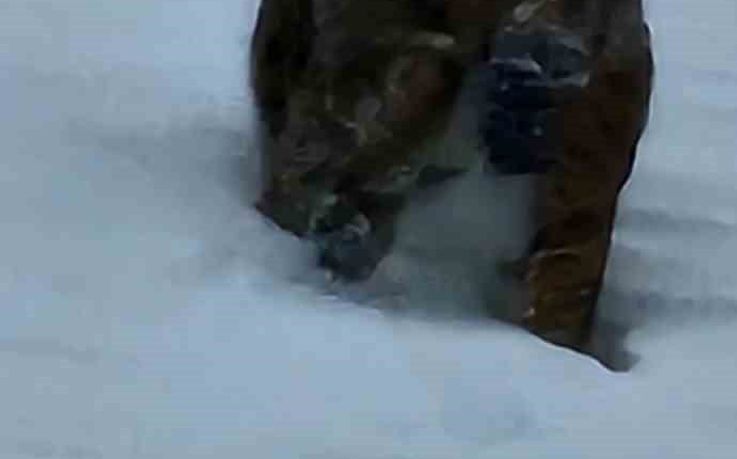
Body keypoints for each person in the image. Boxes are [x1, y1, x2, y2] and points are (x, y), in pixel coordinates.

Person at [250, 0, 653, 351]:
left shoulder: (599, 46)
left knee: (596, 76)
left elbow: (586, 199)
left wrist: (556, 348)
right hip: (368, 86)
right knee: (411, 81)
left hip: (501, 100)